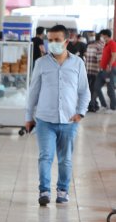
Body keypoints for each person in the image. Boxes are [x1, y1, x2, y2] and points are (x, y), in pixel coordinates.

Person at [25, 24, 90, 206]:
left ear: (66, 41)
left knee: (65, 159)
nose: (52, 43)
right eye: (50, 40)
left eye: (57, 40)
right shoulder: (41, 63)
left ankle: (63, 190)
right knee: (45, 156)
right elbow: (33, 92)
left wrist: (80, 113)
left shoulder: (78, 63)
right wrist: (29, 116)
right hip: (45, 120)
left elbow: (85, 91)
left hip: (69, 121)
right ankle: (44, 191)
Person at [85, 33, 107, 112]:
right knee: (95, 89)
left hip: (88, 70)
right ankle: (92, 105)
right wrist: (101, 71)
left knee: (89, 88)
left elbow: (86, 57)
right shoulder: (100, 47)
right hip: (96, 71)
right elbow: (100, 60)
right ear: (101, 38)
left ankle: (90, 104)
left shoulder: (90, 46)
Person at [97, 29, 116, 112]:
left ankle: (113, 107)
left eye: (102, 35)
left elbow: (114, 55)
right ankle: (104, 105)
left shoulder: (112, 43)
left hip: (109, 70)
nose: (101, 37)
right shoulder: (106, 44)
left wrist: (109, 65)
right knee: (96, 87)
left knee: (110, 88)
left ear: (106, 35)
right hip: (102, 70)